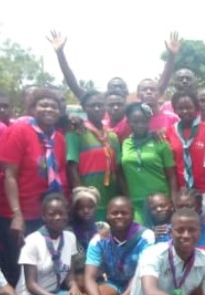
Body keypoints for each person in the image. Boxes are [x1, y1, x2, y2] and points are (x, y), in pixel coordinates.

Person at [0, 88, 69, 284]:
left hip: (44, 214)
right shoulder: (18, 131)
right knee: (17, 266)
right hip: (19, 214)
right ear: (32, 109)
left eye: (54, 106)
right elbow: (9, 175)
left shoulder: (58, 139)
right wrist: (16, 215)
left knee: (41, 264)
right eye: (43, 105)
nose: (49, 109)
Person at [47, 29, 178, 110]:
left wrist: (171, 56)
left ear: (127, 92)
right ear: (106, 91)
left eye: (121, 87)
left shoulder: (134, 107)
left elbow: (160, 87)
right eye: (114, 86)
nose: (117, 89)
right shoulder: (98, 106)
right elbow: (74, 85)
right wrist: (60, 53)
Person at [18, 193, 86, 295]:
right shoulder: (32, 241)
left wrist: (73, 286)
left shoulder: (69, 237)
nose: (58, 217)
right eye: (52, 214)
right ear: (43, 216)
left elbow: (69, 273)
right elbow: (31, 285)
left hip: (54, 291)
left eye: (62, 213)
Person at [84, 197, 157, 295]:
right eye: (114, 213)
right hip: (116, 284)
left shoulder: (145, 236)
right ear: (107, 215)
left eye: (124, 213)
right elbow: (89, 277)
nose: (119, 216)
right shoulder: (98, 240)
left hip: (142, 284)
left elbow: (142, 273)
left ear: (132, 214)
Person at [118, 103, 178, 225]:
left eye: (144, 121)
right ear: (128, 122)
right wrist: (127, 197)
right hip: (136, 202)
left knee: (162, 236)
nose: (140, 124)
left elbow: (172, 176)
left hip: (160, 203)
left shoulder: (160, 142)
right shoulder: (125, 144)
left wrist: (173, 200)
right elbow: (121, 175)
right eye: (135, 121)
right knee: (142, 237)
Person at [66, 91, 121, 220]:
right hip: (89, 203)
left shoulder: (112, 136)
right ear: (84, 108)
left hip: (111, 200)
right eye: (92, 105)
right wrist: (82, 196)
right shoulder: (75, 133)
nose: (97, 108)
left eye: (100, 105)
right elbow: (72, 167)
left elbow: (118, 170)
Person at [165, 91, 205, 210]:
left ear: (197, 108)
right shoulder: (169, 132)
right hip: (182, 193)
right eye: (180, 108)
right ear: (175, 110)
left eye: (189, 108)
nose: (185, 111)